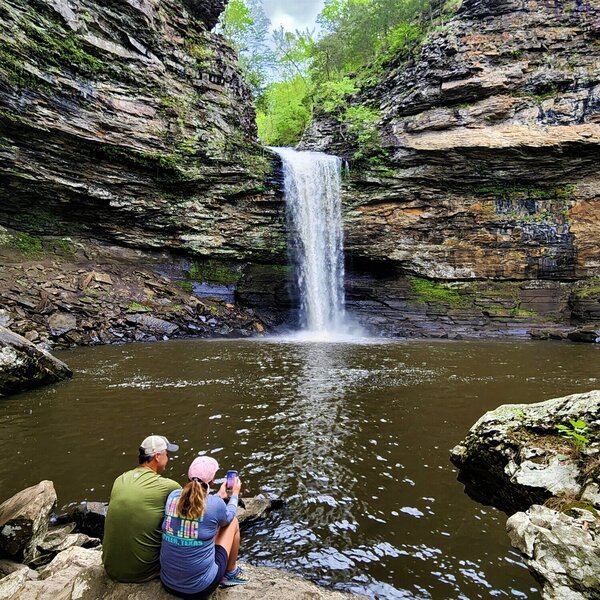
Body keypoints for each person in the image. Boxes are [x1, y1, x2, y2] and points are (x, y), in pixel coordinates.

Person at [160, 456, 249, 598]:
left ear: (188, 477)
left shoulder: (173, 496)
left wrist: (219, 496)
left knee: (208, 526)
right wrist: (235, 495)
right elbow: (229, 516)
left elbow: (200, 506)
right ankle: (231, 573)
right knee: (233, 523)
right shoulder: (214, 504)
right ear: (212, 481)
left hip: (168, 582)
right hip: (199, 589)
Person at [102, 435, 181, 582]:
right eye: (167, 454)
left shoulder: (120, 479)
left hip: (111, 568)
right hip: (142, 572)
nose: (168, 458)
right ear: (157, 456)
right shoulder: (168, 486)